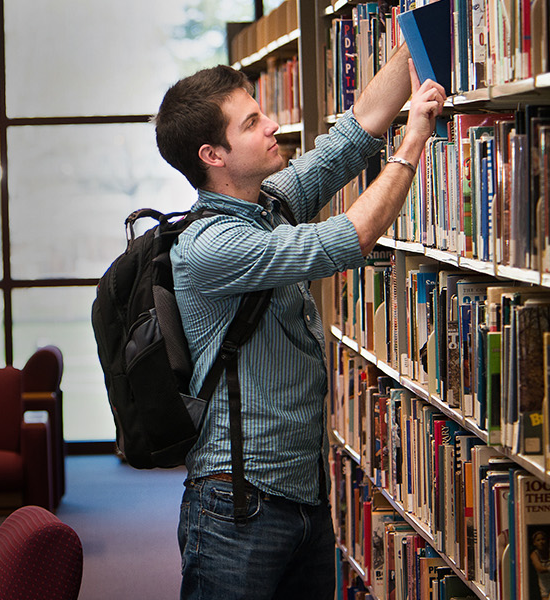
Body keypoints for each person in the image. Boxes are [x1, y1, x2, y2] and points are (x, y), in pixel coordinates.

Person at [154, 46, 447, 600]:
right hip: (236, 506)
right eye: (251, 123)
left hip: (305, 496)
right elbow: (349, 239)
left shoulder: (271, 203)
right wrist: (413, 142)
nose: (272, 124)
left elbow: (354, 134)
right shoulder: (211, 247)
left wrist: (415, 36)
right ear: (212, 154)